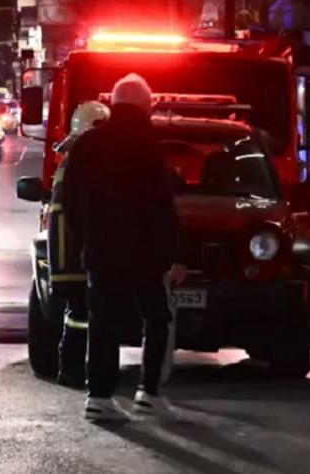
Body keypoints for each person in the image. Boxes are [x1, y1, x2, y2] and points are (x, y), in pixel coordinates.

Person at [62, 74, 187, 421]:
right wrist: (176, 254)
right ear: (145, 105)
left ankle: (99, 396)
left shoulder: (88, 144)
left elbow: (69, 200)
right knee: (157, 318)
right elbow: (162, 205)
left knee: (103, 322)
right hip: (145, 252)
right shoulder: (148, 145)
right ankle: (149, 392)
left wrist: (84, 239)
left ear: (114, 104)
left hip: (102, 251)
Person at [49, 101, 111, 389]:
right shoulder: (84, 163)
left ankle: (72, 369)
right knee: (83, 314)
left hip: (71, 258)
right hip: (80, 256)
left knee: (78, 314)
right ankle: (75, 370)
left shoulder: (71, 160)